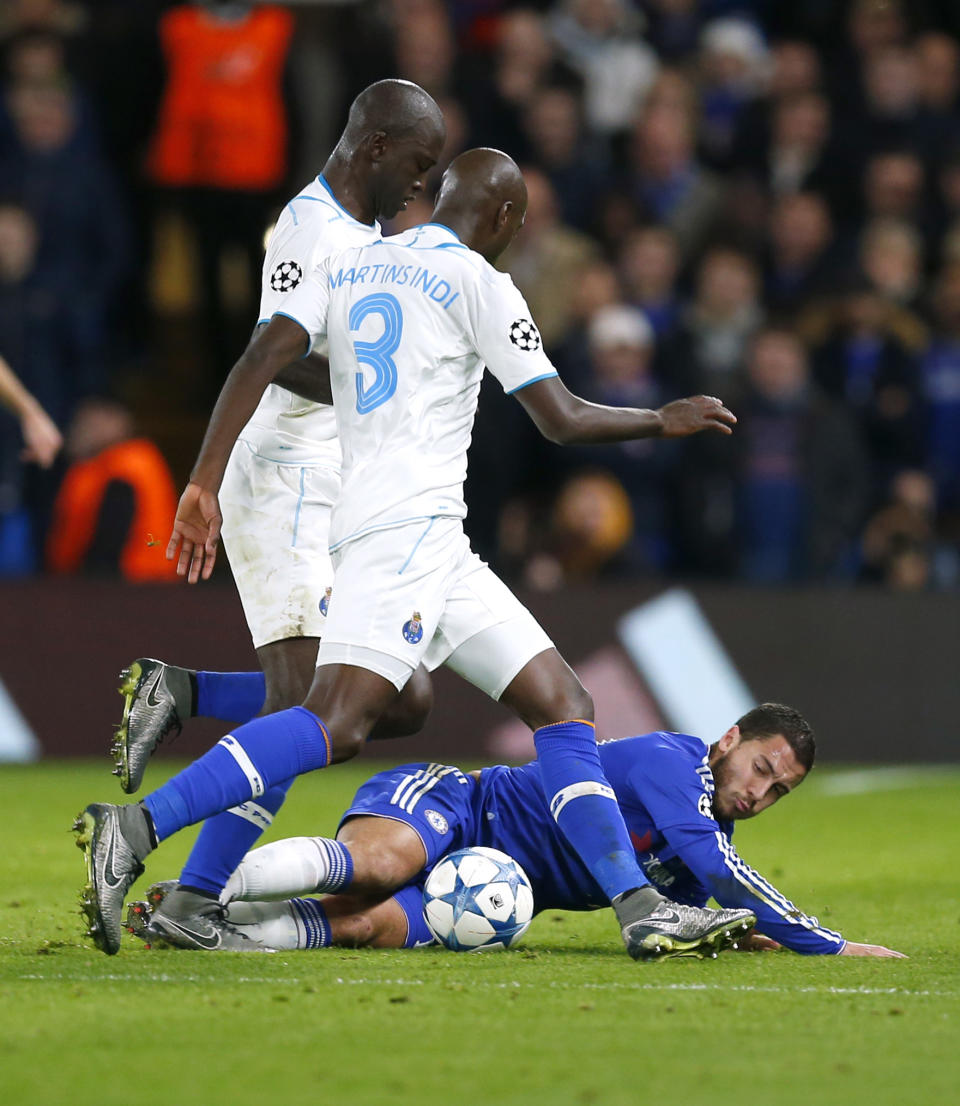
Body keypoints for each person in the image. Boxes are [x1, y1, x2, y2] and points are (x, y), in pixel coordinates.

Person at [75, 148, 746, 964]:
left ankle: (641, 909)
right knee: (332, 722)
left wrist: (215, 471)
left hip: (430, 538)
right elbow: (561, 418)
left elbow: (279, 353)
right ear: (503, 220)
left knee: (562, 702)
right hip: (402, 535)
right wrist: (660, 417)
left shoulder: (358, 261)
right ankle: (136, 827)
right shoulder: (483, 283)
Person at [106, 79, 445, 907]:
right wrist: (202, 483)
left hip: (339, 489)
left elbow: (315, 355)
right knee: (309, 710)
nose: (422, 186)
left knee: (401, 700)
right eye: (418, 163)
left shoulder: (365, 235)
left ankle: (183, 692)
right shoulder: (310, 226)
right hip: (286, 480)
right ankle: (191, 895)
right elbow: (267, 353)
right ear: (374, 146)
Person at [127, 704, 903, 960]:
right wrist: (826, 944)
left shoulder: (694, 855)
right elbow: (722, 871)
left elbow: (714, 903)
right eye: (763, 767)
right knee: (379, 862)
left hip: (493, 891)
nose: (762, 792)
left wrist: (739, 936)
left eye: (781, 790)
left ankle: (215, 933)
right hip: (459, 806)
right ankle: (199, 895)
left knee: (362, 925)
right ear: (729, 738)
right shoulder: (676, 766)